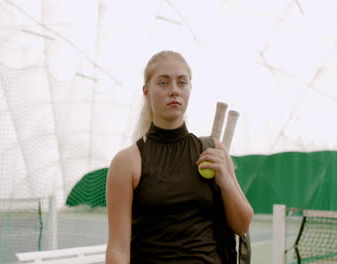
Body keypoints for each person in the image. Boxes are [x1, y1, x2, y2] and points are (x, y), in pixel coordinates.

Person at [105, 50, 253, 264]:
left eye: (181, 83)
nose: (174, 90)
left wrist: (226, 180)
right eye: (163, 83)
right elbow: (118, 249)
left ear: (190, 89)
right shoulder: (127, 162)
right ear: (146, 92)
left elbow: (243, 225)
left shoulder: (214, 152)